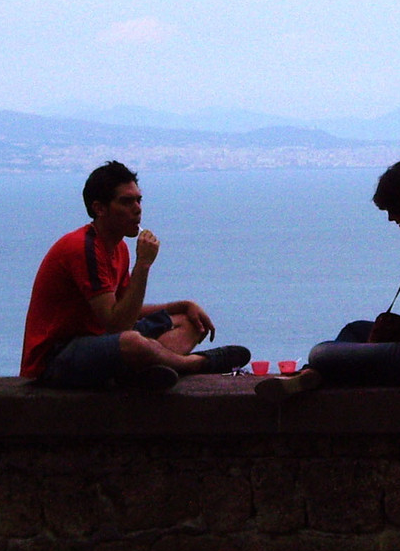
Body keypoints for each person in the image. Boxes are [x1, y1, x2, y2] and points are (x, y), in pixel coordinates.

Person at [257, 159, 400, 401]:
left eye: (393, 208)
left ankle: (312, 372)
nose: (391, 218)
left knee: (320, 353)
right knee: (355, 330)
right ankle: (311, 375)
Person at [20, 160, 250, 389]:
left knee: (190, 322)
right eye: (126, 202)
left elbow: (125, 310)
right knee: (132, 342)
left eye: (138, 200)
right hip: (55, 359)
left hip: (99, 342)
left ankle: (136, 373)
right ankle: (195, 364)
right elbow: (117, 325)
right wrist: (143, 264)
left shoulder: (118, 248)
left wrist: (183, 305)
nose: (137, 208)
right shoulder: (83, 247)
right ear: (99, 208)